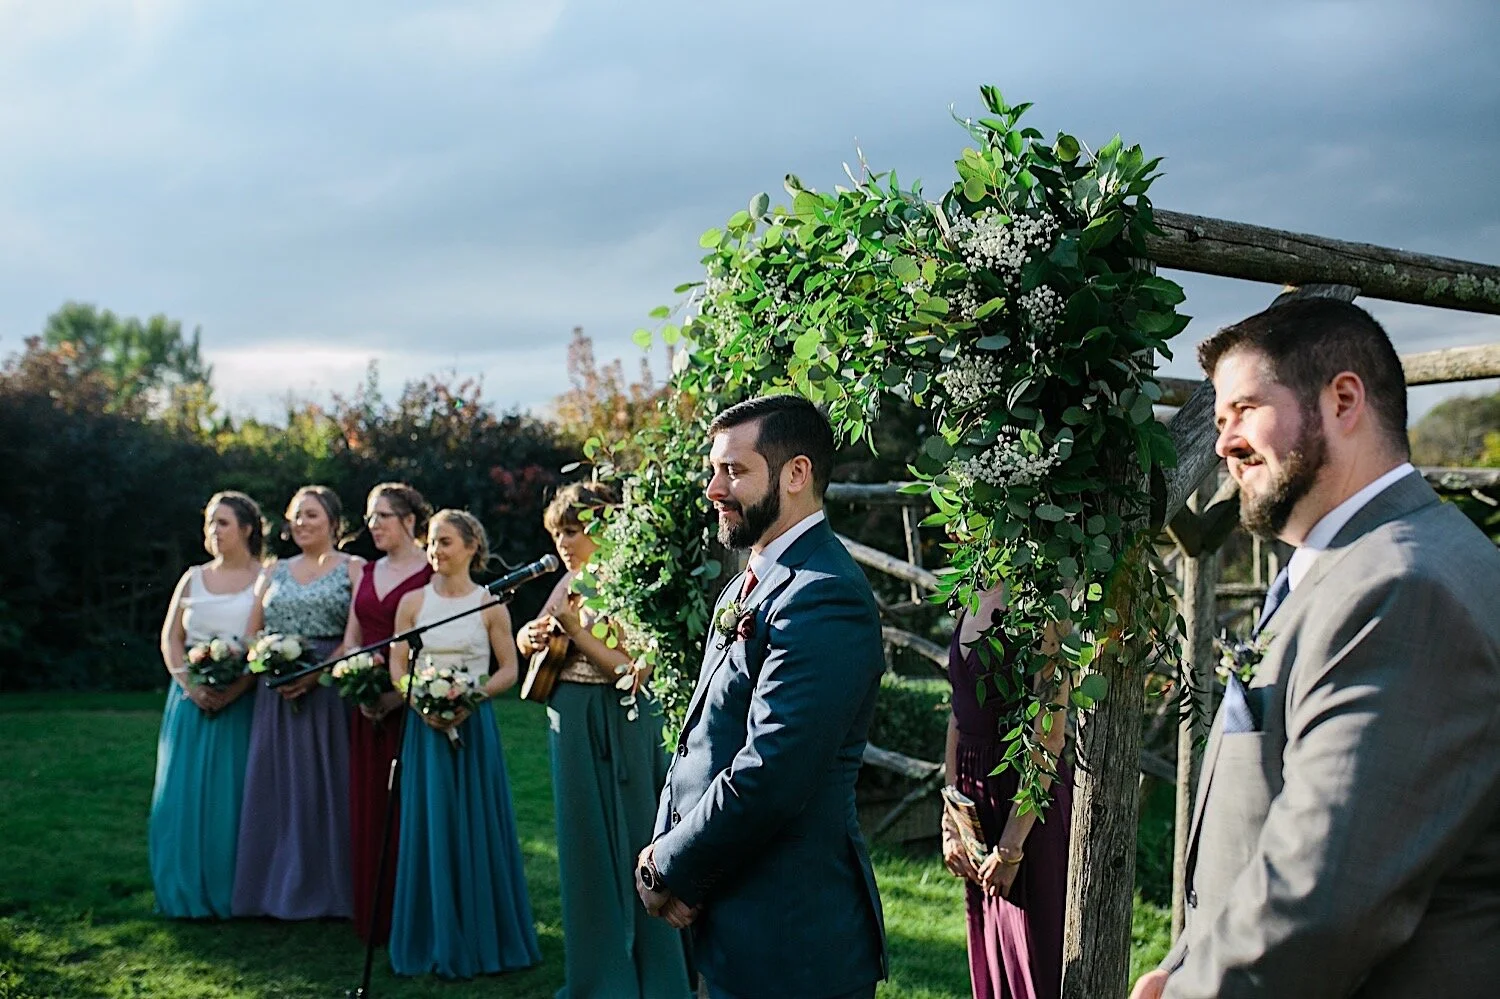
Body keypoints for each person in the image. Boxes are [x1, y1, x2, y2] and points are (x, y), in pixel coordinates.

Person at [1132, 299, 1500, 999]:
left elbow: (1322, 900)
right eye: (1217, 421)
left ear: (1343, 399)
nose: (1222, 443)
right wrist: (1184, 962)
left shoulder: (1403, 588)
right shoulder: (1351, 567)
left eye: (1243, 408)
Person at [638, 394, 888, 999]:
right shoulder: (752, 580)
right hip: (727, 907)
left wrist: (664, 864)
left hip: (789, 933)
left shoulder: (825, 593)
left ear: (796, 474)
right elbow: (706, 738)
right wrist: (678, 858)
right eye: (714, 470)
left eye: (734, 470)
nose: (713, 489)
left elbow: (773, 770)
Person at [518, 482, 691, 999]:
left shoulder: (633, 582)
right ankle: (599, 977)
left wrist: (578, 630)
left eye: (572, 530)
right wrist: (531, 636)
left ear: (603, 525)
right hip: (569, 718)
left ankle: (659, 975)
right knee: (584, 842)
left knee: (642, 837)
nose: (563, 542)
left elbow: (633, 671)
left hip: (625, 719)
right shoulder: (569, 579)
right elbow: (544, 637)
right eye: (556, 533)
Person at [387, 509, 540, 978]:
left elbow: (509, 670)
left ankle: (481, 934)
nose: (435, 551)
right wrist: (426, 707)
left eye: (446, 542)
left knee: (475, 822)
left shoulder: (492, 603)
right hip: (425, 729)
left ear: (473, 546)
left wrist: (468, 699)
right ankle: (432, 934)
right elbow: (397, 669)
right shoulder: (412, 603)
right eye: (431, 542)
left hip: (474, 726)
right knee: (429, 824)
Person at [232, 485, 361, 919]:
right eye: (296, 516)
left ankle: (332, 891)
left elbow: (355, 636)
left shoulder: (353, 567)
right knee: (278, 789)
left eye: (311, 515)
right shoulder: (274, 569)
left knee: (328, 786)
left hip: (327, 691)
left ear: (333, 522)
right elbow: (252, 631)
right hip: (278, 693)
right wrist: (271, 664)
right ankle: (275, 890)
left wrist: (318, 674)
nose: (301, 523)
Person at [941, 585, 1071, 999]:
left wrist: (1012, 847)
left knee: (1035, 964)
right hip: (976, 806)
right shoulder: (970, 593)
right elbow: (957, 717)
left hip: (1025, 802)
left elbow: (1048, 736)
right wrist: (952, 820)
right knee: (992, 959)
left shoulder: (1044, 602)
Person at [149, 491, 264, 919]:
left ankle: (234, 891)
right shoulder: (192, 576)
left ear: (247, 530)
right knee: (182, 797)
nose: (213, 532)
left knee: (231, 798)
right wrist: (188, 685)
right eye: (209, 523)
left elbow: (263, 644)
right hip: (189, 702)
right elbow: (171, 638)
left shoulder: (264, 577)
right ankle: (181, 888)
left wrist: (235, 690)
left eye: (223, 523)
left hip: (240, 703)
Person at [341, 482, 434, 945]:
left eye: (382, 516)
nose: (372, 525)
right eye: (370, 517)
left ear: (410, 521)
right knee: (370, 808)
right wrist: (356, 681)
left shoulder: (435, 570)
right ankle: (374, 918)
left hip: (416, 710)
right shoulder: (366, 571)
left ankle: (413, 917)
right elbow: (352, 639)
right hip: (366, 710)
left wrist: (400, 695)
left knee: (410, 812)